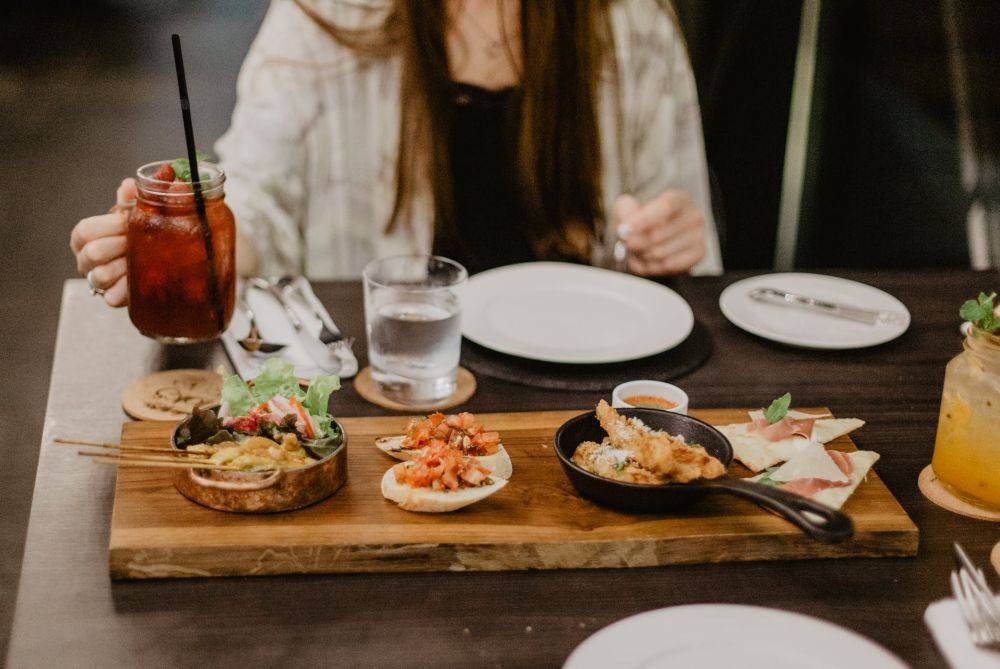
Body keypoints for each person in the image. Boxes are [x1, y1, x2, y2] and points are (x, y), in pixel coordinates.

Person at [72, 0, 722, 308]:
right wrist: (195, 239)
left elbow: (678, 221)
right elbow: (257, 196)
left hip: (584, 398)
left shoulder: (632, 24)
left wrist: (668, 239)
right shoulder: (326, 17)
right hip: (388, 393)